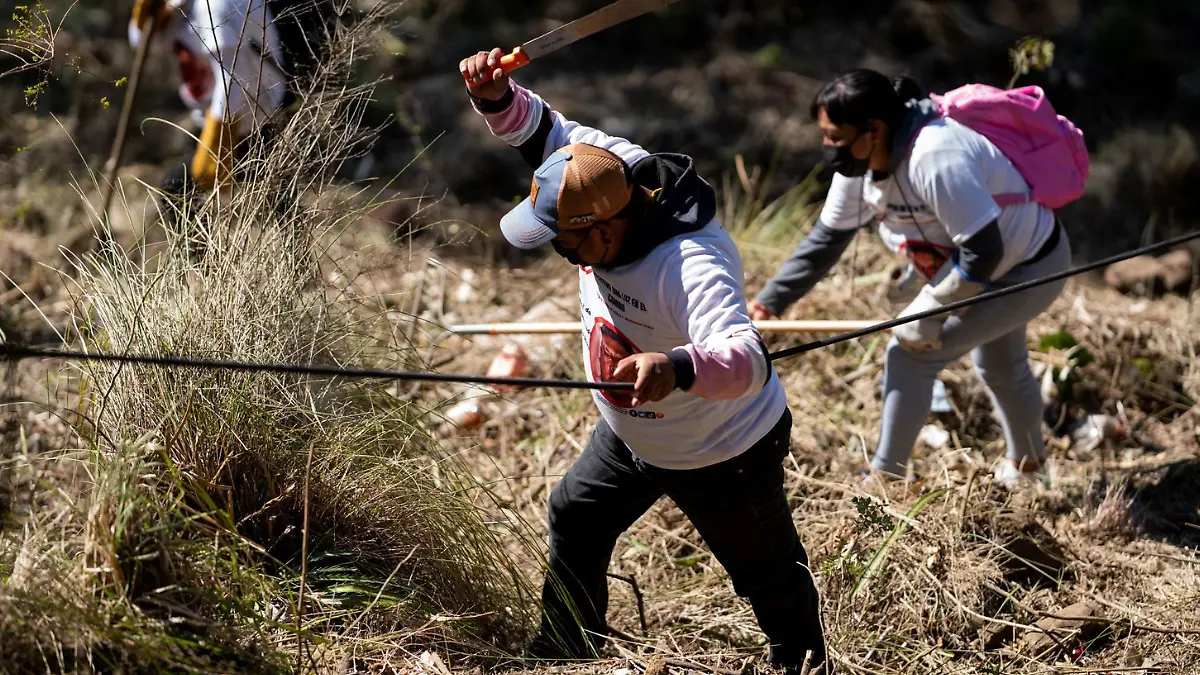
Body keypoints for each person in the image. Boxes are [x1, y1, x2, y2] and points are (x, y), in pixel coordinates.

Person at [461, 49, 831, 674]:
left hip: (723, 451)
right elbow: (539, 129)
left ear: (605, 230)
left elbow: (746, 360)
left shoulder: (688, 265)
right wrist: (496, 95)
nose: (557, 248)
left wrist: (677, 367)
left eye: (564, 239)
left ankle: (803, 666)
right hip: (634, 434)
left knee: (769, 581)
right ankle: (567, 647)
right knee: (576, 512)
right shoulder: (601, 168)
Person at [748, 69, 1072, 488]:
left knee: (911, 353)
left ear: (874, 129)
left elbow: (984, 251)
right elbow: (828, 238)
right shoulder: (859, 163)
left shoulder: (936, 156)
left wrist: (930, 309)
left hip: (1030, 266)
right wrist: (771, 301)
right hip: (972, 267)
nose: (828, 145)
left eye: (835, 135)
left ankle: (884, 482)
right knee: (1000, 364)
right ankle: (1031, 471)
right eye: (824, 135)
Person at [128, 0, 340, 198]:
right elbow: (142, 40)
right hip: (240, 114)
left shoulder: (214, 9)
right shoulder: (181, 16)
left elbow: (233, 79)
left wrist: (214, 145)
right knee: (183, 191)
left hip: (261, 108)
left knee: (268, 192)